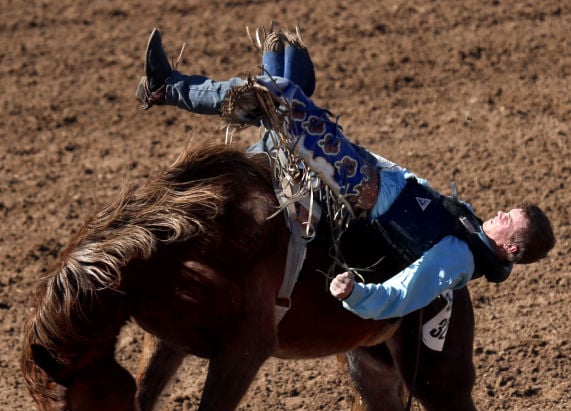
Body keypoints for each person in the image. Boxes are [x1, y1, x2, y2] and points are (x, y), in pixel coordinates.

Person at [136, 28, 555, 321]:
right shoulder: (466, 229)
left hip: (356, 185)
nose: (497, 214)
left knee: (278, 93)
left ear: (512, 250)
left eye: (506, 220)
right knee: (288, 61)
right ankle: (265, 141)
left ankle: (166, 87)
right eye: (505, 210)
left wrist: (357, 296)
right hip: (361, 166)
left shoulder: (458, 258)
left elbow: (407, 292)